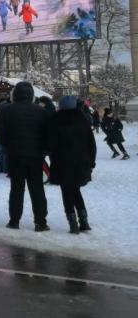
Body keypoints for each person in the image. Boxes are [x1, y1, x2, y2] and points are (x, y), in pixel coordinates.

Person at [0, 81, 49, 231]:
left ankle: (14, 220)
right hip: (36, 156)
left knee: (16, 189)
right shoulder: (41, 111)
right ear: (31, 95)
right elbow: (48, 133)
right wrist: (43, 149)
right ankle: (41, 222)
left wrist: (7, 145)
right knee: (37, 189)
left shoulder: (6, 110)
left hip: (15, 155)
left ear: (15, 94)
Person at [49, 96, 97, 234]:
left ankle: (73, 224)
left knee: (66, 192)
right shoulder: (83, 120)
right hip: (81, 162)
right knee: (76, 191)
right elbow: (91, 144)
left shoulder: (55, 120)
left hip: (62, 162)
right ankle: (84, 222)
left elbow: (50, 144)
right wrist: (91, 162)